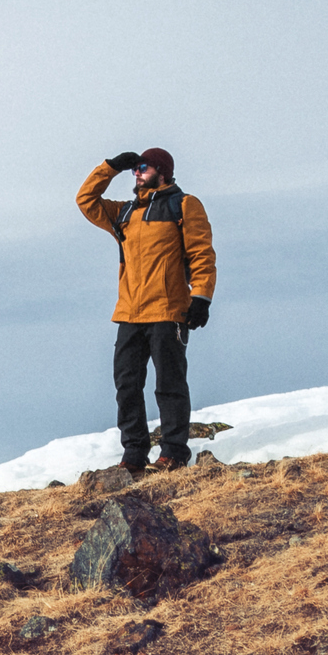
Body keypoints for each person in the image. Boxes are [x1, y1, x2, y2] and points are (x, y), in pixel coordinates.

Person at [75, 147, 216, 471]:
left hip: (168, 310)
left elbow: (202, 254)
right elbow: (86, 200)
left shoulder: (184, 204)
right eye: (134, 168)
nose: (136, 173)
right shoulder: (124, 213)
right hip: (129, 313)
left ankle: (174, 453)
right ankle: (134, 454)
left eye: (143, 167)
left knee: (169, 384)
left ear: (162, 171)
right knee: (126, 386)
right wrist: (110, 168)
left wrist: (202, 297)